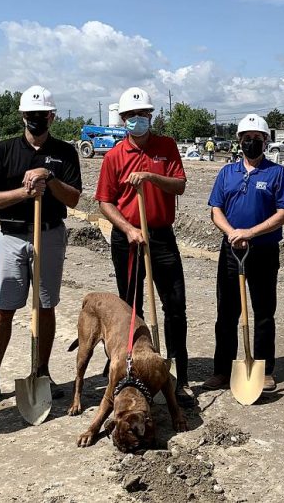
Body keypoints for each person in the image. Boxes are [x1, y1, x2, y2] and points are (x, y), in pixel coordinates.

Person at [0, 86, 82, 411]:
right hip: (11, 237)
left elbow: (74, 199)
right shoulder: (4, 151)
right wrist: (24, 191)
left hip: (49, 235)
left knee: (45, 306)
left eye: (42, 115)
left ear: (51, 116)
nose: (36, 120)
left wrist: (49, 178)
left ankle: (41, 371)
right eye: (31, 115)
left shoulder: (65, 152)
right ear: (22, 116)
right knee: (4, 308)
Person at [94, 86, 192, 407]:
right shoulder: (113, 156)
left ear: (150, 116)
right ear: (123, 119)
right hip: (128, 239)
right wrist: (128, 228)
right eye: (132, 115)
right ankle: (130, 365)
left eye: (143, 114)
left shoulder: (167, 146)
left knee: (174, 305)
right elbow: (105, 202)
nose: (138, 119)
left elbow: (179, 184)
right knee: (130, 308)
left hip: (161, 235)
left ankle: (179, 373)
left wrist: (151, 176)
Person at [203, 114, 284, 392]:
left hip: (263, 250)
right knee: (227, 311)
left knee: (264, 311)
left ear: (265, 141)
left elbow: (283, 214)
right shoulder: (226, 172)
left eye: (257, 139)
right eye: (246, 139)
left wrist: (250, 233)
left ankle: (264, 369)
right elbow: (215, 209)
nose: (251, 143)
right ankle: (222, 369)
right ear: (239, 141)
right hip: (231, 249)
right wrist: (232, 232)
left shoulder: (277, 173)